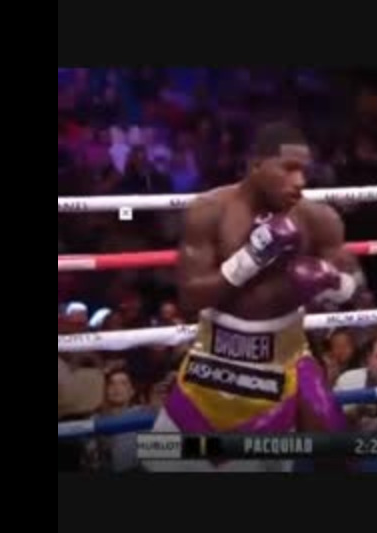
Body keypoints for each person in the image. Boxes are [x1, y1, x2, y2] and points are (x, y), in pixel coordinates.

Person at [146, 121, 362, 472]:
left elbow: (355, 282)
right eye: (288, 169)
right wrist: (251, 258)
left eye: (304, 171)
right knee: (164, 463)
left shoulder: (318, 219)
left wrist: (334, 283)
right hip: (213, 359)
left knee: (332, 448)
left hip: (282, 360)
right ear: (256, 164)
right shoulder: (210, 210)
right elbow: (189, 295)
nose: (300, 181)